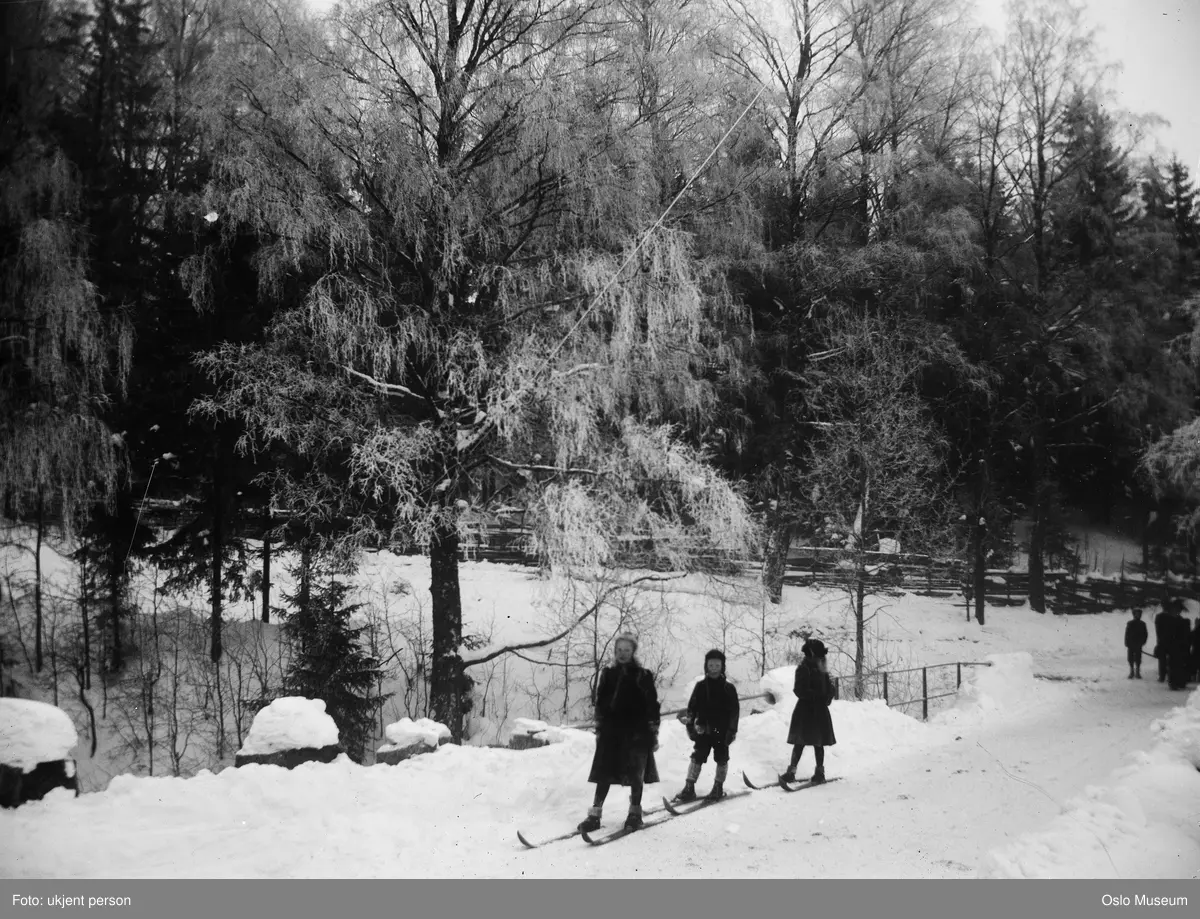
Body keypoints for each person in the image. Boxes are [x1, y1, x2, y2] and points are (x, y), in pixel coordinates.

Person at [578, 633, 661, 832]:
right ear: (615, 652)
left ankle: (635, 814)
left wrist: (653, 730)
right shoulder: (608, 674)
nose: (622, 654)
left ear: (633, 652)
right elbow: (600, 702)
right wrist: (600, 727)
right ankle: (595, 815)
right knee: (604, 773)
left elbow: (652, 705)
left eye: (626, 650)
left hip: (637, 732)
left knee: (636, 774)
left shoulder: (643, 675)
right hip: (612, 732)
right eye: (619, 650)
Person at [673, 649, 740, 803]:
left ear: (722, 666)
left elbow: (734, 712)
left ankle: (718, 787)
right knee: (697, 757)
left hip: (722, 731)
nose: (714, 668)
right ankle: (689, 788)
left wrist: (732, 731)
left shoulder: (728, 688)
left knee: (721, 758)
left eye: (717, 665)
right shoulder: (701, 686)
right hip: (703, 730)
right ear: (706, 666)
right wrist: (690, 726)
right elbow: (692, 709)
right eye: (711, 665)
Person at [781, 638, 837, 785]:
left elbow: (829, 687)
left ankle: (820, 772)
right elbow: (799, 689)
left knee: (819, 743)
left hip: (819, 711)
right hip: (805, 711)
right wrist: (816, 696)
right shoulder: (803, 669)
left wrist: (828, 695)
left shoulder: (822, 668)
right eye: (817, 655)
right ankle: (791, 772)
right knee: (800, 742)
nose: (819, 658)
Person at [1123, 607, 1148, 679]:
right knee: (1130, 658)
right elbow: (1127, 633)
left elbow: (1145, 634)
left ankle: (1137, 671)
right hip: (1131, 644)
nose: (1138, 615)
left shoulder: (1142, 624)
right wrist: (1126, 642)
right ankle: (1131, 671)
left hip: (1138, 644)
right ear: (1134, 615)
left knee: (1138, 658)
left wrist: (1143, 642)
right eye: (1136, 614)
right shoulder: (1130, 623)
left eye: (1139, 614)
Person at [1153, 602, 1173, 683]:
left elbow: (1158, 630)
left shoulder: (1159, 617)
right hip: (1170, 641)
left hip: (1162, 641)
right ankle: (1168, 675)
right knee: (1170, 659)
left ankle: (1162, 676)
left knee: (1162, 660)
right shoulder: (1171, 616)